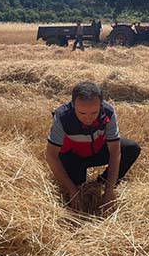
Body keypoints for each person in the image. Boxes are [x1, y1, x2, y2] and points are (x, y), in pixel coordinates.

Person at [44, 82, 140, 213]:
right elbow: (51, 155)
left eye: (94, 112)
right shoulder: (62, 117)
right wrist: (71, 189)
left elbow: (114, 152)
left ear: (101, 105)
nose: (88, 118)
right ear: (73, 105)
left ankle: (101, 181)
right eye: (82, 113)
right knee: (78, 190)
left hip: (97, 150)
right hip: (74, 156)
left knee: (131, 148)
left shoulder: (108, 112)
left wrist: (109, 190)